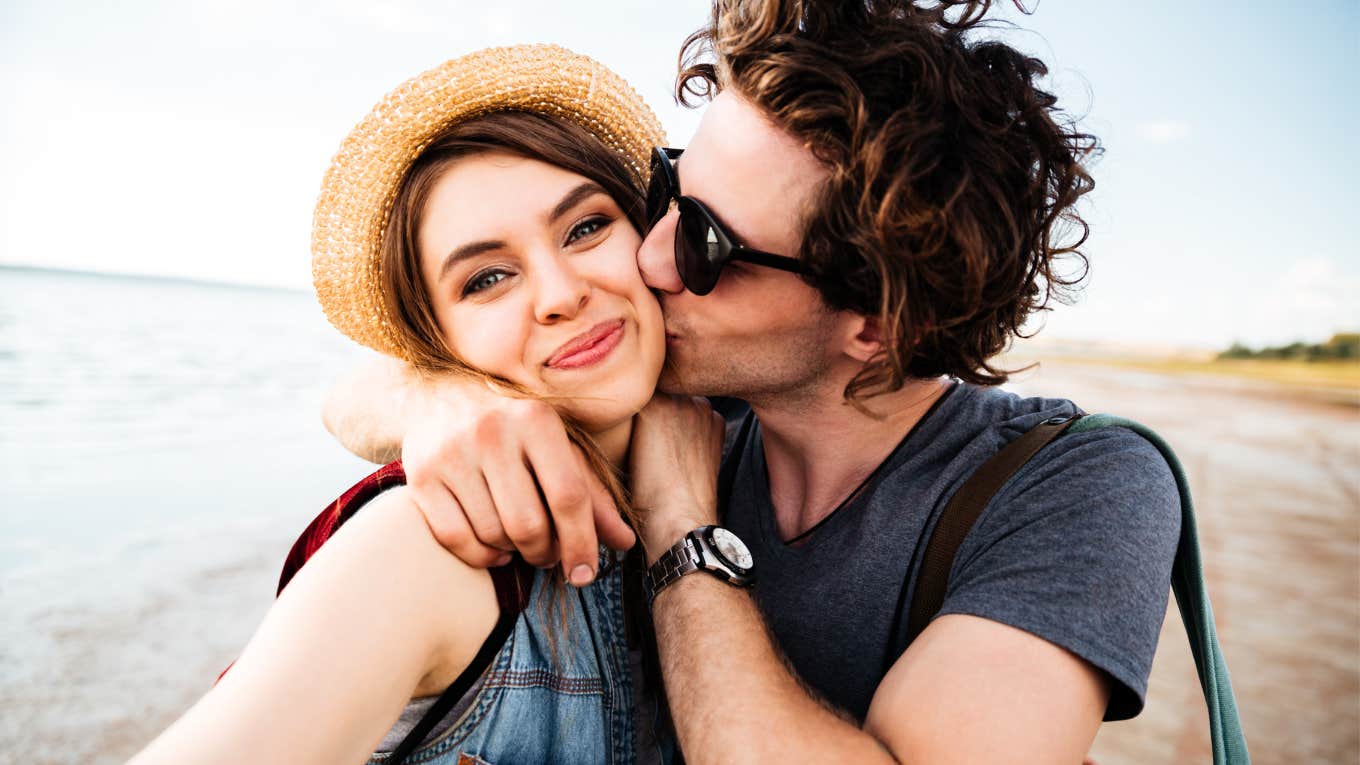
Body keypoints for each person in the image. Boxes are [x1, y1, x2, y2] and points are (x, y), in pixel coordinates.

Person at [324, 1, 1184, 762]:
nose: (650, 256)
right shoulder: (674, 380)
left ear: (880, 325)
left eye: (706, 245)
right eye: (667, 189)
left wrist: (680, 525)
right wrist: (446, 401)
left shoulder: (1075, 487)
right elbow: (348, 395)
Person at [132, 44, 686, 764]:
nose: (561, 294)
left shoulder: (743, 441)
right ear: (436, 342)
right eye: (487, 278)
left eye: (586, 228)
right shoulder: (422, 547)